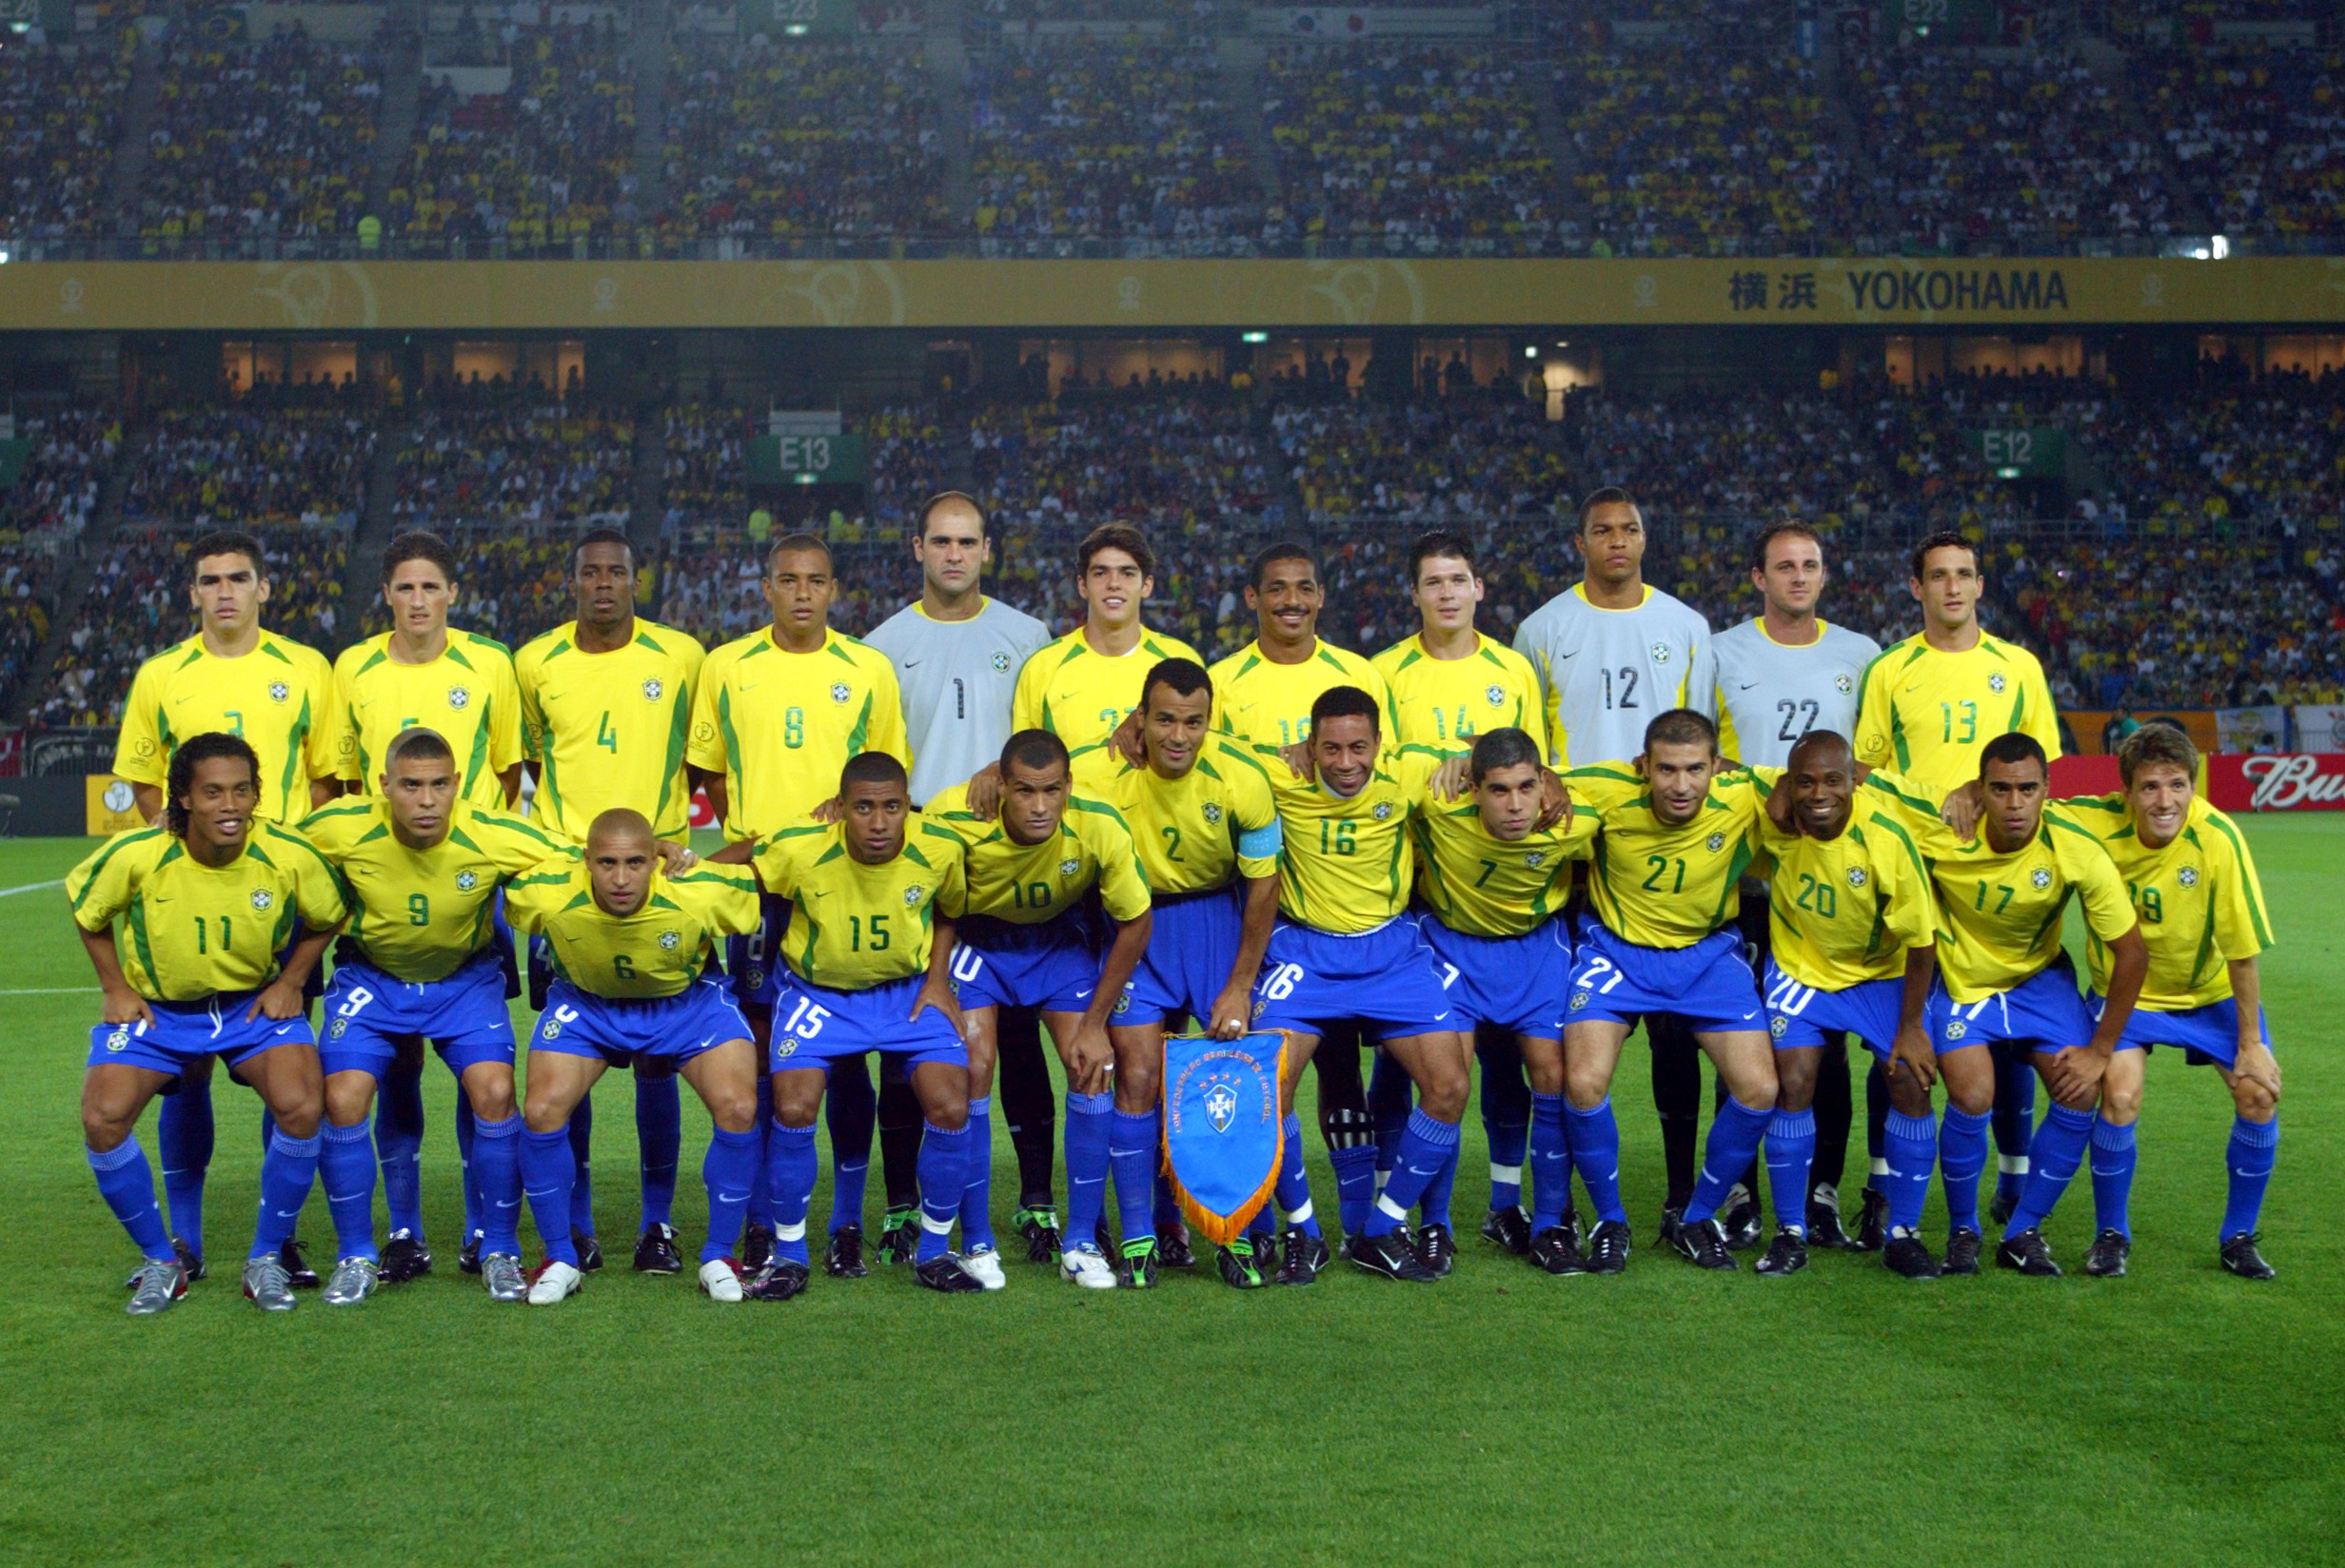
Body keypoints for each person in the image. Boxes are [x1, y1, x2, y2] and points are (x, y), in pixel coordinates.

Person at [111, 530, 345, 1289]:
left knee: (289, 1074)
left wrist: (278, 857)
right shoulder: (160, 675)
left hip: (274, 900)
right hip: (188, 900)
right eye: (210, 580)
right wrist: (192, 845)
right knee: (186, 1073)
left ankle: (281, 1238)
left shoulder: (306, 668)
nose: (224, 592)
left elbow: (327, 778)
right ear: (193, 593)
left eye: (239, 578)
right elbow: (149, 784)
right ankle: (185, 1240)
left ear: (264, 588)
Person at [687, 532, 907, 1278]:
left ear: (834, 589)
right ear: (767, 588)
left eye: (816, 580)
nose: (803, 592)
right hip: (760, 889)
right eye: (789, 579)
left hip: (843, 887)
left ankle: (845, 1223)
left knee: (843, 1059)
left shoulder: (868, 669)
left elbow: (886, 774)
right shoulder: (726, 666)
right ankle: (759, 1222)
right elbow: (710, 775)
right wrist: (759, 840)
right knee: (756, 1056)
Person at [68, 732, 347, 1315]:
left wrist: (292, 980)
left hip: (250, 1009)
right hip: (162, 1012)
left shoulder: (286, 851)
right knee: (103, 1118)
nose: (230, 806)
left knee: (302, 1106)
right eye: (214, 792)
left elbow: (330, 913)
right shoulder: (140, 853)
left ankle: (266, 1258)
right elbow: (88, 911)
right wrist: (114, 987)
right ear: (184, 800)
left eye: (242, 791)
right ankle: (161, 1262)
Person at [981, 522, 1200, 1264]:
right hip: (1071, 893)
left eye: (1127, 571)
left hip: (1159, 895)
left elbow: (1201, 765)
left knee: (1150, 1062)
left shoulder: (1179, 666)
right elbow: (1029, 768)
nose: (1113, 584)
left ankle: (1160, 1212)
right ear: (1081, 584)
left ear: (1147, 583)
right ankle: (1051, 1204)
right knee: (1048, 1052)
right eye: (1100, 572)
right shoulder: (1047, 668)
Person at [299, 727, 574, 1304]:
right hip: (372, 980)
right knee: (343, 1097)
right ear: (385, 786)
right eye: (411, 785)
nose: (426, 800)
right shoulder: (340, 826)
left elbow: (583, 857)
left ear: (457, 785)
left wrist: (663, 853)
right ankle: (356, 1255)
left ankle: (498, 1248)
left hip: (463, 981)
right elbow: (272, 854)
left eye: (439, 785)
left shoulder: (495, 832)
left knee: (495, 1092)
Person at [1513, 490, 1718, 1236]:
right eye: (1603, 531)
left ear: (1645, 536)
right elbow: (1529, 742)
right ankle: (1552, 1194)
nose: (1618, 542)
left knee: (1675, 1033)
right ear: (1581, 543)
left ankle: (1676, 1189)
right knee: (1558, 1032)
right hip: (1574, 851)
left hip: (1663, 842)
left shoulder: (1687, 627)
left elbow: (1703, 736)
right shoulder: (1543, 628)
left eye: (1630, 528)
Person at [329, 530, 526, 1285]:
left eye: (430, 587)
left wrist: (471, 851)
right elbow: (345, 779)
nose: (417, 601)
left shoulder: (490, 665)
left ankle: (485, 1233)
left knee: (482, 1076)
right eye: (404, 588)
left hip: (467, 882)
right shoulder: (353, 669)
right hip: (384, 887)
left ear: (454, 593)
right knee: (392, 1068)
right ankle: (402, 1233)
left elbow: (508, 774)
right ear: (386, 594)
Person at [863, 493, 1053, 1264]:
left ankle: (1037, 1199)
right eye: (939, 540)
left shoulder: (1029, 637)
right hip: (921, 872)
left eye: (966, 541)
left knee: (1024, 1041)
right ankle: (904, 1201)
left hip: (1016, 866)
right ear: (916, 547)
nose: (953, 554)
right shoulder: (882, 646)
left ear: (986, 550)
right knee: (912, 1041)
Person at [1855, 530, 2063, 1226]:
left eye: (1964, 575)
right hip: (1917, 878)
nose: (1952, 587)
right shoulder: (1889, 670)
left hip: (1997, 878)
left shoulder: (2020, 667)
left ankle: (2012, 1177)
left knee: (2001, 1037)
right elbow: (1870, 773)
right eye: (1938, 576)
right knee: (1899, 1033)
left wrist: (1982, 791)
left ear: (1979, 585)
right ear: (1917, 589)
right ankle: (1884, 1183)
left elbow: (2041, 771)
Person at [719, 752, 983, 1299]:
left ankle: (934, 1251)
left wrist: (938, 979)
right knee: (792, 1108)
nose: (879, 822)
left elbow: (950, 909)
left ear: (906, 806)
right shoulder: (802, 847)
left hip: (906, 995)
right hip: (821, 998)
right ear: (840, 809)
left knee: (952, 1105)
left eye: (891, 807)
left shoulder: (940, 847)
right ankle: (789, 1255)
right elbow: (740, 863)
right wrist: (671, 860)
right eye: (863, 807)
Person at [515, 527, 707, 1278]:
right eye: (590, 572)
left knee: (659, 1059)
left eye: (617, 572)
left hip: (657, 882)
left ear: (636, 579)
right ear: (573, 583)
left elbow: (701, 761)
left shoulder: (681, 656)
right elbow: (533, 760)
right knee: (575, 1051)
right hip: (568, 888)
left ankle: (658, 1225)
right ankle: (581, 1222)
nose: (604, 583)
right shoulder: (535, 662)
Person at [1886, 734, 2145, 1280]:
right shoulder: (1942, 828)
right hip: (1963, 982)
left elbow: (2132, 954)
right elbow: (1867, 785)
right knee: (1973, 1093)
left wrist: (2101, 1049)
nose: (2014, 803)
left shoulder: (2074, 848)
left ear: (2047, 791)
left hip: (2038, 980)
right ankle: (1964, 1230)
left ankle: (2022, 1228)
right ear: (1979, 791)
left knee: (2080, 1091)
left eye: (2028, 788)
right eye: (1999, 790)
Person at [2027, 725, 2278, 1278]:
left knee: (2258, 1094)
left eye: (2178, 784)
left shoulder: (2219, 839)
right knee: (2118, 1096)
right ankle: (2110, 1235)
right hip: (2129, 999)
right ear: (2127, 792)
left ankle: (2238, 1237)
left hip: (2208, 993)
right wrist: (1972, 793)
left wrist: (2251, 1043)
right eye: (2150, 787)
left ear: (2194, 784)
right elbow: (2027, 803)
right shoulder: (2093, 821)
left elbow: (2241, 952)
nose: (2165, 801)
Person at [1199, 543, 1391, 1248]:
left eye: (1304, 589)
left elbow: (1380, 772)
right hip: (1246, 897)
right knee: (1270, 1061)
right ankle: (1272, 1215)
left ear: (1320, 598)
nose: (1291, 600)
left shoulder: (1356, 673)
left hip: (1331, 907)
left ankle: (1357, 1222)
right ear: (1252, 599)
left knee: (1343, 1061)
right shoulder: (1224, 681)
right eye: (1275, 589)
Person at [1247, 685, 1468, 1285]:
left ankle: (1381, 1227)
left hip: (1390, 952)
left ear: (1380, 744)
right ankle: (1302, 1231)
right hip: (1305, 952)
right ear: (1309, 745)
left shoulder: (1413, 770)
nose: (1346, 764)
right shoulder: (1276, 773)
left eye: (1359, 748)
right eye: (1331, 749)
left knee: (1449, 1087)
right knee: (1268, 1089)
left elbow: (1499, 759)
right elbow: (1203, 747)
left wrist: (1544, 780)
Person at [502, 810, 768, 1306]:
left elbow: (769, 865)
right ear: (586, 861)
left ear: (654, 860)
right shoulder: (546, 891)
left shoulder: (701, 889)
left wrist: (677, 851)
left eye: (634, 862)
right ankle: (560, 1256)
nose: (620, 878)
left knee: (739, 1107)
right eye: (606, 863)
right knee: (540, 1111)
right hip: (589, 1006)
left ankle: (718, 1256)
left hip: (686, 1006)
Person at [1075, 657, 1284, 1289]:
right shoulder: (1099, 769)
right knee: (1135, 1075)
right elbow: (1027, 774)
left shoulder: (1241, 777)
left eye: (1193, 722)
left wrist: (1241, 985)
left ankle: (1235, 1233)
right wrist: (983, 777)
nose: (1178, 736)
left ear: (1209, 721)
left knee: (1233, 1075)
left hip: (1219, 925)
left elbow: (1263, 887)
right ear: (1139, 718)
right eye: (1164, 719)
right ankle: (1140, 1235)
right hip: (1139, 931)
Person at [1372, 530, 1549, 1256]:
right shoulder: (1386, 673)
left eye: (1459, 580)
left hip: (1504, 896)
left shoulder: (1514, 670)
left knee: (1509, 1060)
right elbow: (1371, 779)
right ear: (1414, 595)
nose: (1447, 593)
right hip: (1420, 892)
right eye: (1433, 582)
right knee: (1414, 1058)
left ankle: (1503, 1204)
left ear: (1480, 588)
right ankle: (1420, 1208)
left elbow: (1539, 773)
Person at [924, 731, 1153, 1288]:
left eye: (1052, 790)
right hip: (983, 946)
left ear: (1068, 787)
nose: (1040, 805)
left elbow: (1137, 922)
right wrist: (935, 981)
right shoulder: (952, 818)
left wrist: (1097, 1024)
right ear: (1000, 787)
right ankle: (977, 1241)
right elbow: (926, 899)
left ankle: (1080, 1242)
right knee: (974, 1067)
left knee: (1092, 1067)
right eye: (1025, 792)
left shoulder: (1098, 823)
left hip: (1058, 946)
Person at [1711, 520, 1883, 1251]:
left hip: (1829, 886)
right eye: (1784, 566)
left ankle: (1820, 1193)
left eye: (1811, 565)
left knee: (1827, 1043)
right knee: (1746, 1038)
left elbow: (1870, 765)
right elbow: (1705, 755)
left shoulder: (1860, 655)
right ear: (1758, 577)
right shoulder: (1720, 652)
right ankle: (1744, 1194)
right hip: (1749, 882)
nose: (1799, 577)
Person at [1557, 709, 1780, 1274]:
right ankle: (1610, 1221)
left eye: (1695, 770)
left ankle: (1698, 1216)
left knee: (1758, 1089)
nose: (1681, 786)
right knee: (1582, 1082)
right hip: (1616, 953)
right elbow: (1529, 774)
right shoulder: (1606, 786)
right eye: (1667, 771)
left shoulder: (1746, 790)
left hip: (1706, 955)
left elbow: (1826, 775)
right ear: (1643, 767)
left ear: (1717, 767)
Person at [1409, 726, 1595, 1274]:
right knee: (1448, 1083)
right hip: (1451, 948)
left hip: (1535, 951)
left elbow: (1636, 783)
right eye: (1498, 791)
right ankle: (1435, 1225)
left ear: (1543, 783)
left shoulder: (1575, 812)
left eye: (1526, 787)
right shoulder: (1436, 800)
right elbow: (1376, 760)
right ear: (1473, 788)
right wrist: (1449, 757)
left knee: (1552, 1075)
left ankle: (1548, 1223)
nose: (1515, 806)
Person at [1750, 731, 1935, 1277]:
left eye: (1833, 779)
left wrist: (1910, 1028)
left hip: (1878, 976)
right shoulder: (1773, 808)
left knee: (1908, 1079)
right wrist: (1776, 788)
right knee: (1795, 1079)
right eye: (1803, 781)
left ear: (1855, 779)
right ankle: (1790, 1232)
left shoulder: (1885, 838)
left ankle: (1903, 1231)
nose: (1817, 793)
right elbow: (1729, 770)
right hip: (1801, 970)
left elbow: (1921, 942)